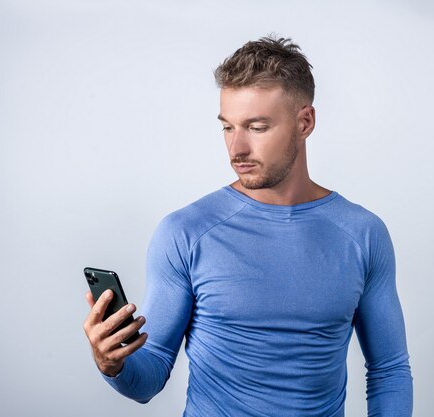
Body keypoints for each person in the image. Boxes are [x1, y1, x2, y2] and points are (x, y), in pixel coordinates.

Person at [83, 35, 413, 417]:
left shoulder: (362, 234)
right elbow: (150, 375)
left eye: (256, 127)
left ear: (305, 122)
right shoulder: (185, 232)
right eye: (228, 127)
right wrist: (114, 363)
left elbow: (389, 371)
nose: (236, 149)